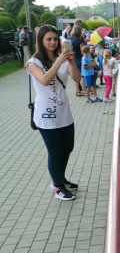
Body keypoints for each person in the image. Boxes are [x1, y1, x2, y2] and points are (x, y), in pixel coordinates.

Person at [26, 25, 82, 201]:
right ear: (41, 42)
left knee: (68, 148)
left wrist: (70, 60)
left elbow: (76, 78)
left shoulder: (63, 58)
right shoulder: (33, 63)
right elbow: (44, 80)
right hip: (46, 115)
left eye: (55, 39)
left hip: (64, 113)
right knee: (55, 151)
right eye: (48, 39)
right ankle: (58, 186)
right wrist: (59, 61)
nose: (52, 42)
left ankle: (61, 178)